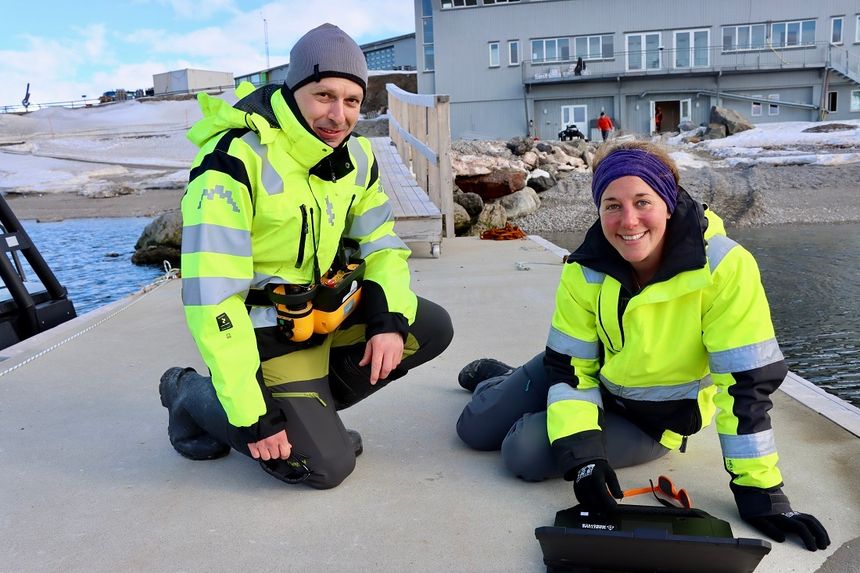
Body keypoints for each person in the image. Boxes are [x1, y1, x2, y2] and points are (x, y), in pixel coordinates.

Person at [455, 140, 830, 552]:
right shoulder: (585, 268)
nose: (628, 220)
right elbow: (571, 369)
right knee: (473, 431)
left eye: (642, 201)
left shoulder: (725, 268)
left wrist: (761, 493)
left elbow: (745, 389)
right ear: (599, 210)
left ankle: (517, 391)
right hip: (583, 377)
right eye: (612, 205)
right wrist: (585, 455)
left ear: (668, 202)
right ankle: (504, 380)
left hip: (650, 420)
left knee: (522, 452)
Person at [159, 23, 453, 489]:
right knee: (325, 468)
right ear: (293, 92)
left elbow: (383, 245)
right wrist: (252, 411)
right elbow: (211, 298)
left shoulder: (356, 158)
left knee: (428, 327)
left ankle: (313, 420)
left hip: (323, 318)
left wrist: (387, 320)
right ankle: (190, 394)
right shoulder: (234, 161)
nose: (338, 115)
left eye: (352, 100)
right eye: (323, 96)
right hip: (265, 337)